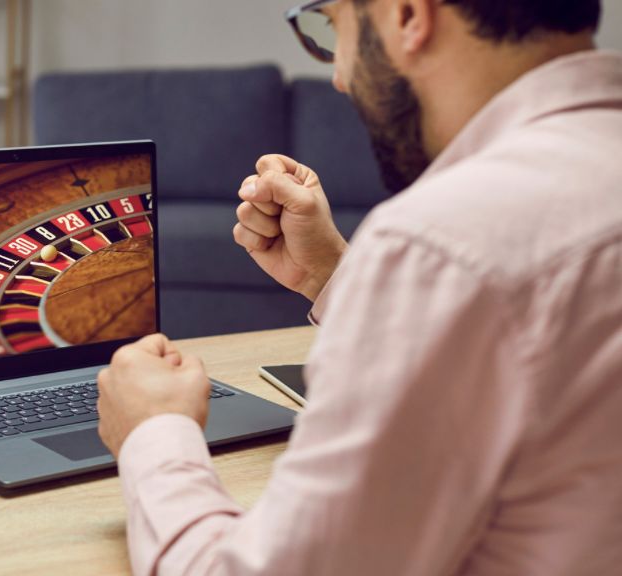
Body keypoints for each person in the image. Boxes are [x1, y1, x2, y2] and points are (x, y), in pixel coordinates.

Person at [95, 0, 622, 574]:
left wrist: (153, 431)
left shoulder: (442, 242)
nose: (340, 78)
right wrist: (333, 276)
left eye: (333, 28)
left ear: (406, 16)